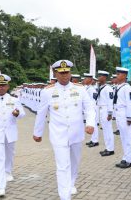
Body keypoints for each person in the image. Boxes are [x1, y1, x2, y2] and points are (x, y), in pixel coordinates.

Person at [33, 60, 96, 200]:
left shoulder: (80, 89)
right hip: (58, 135)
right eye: (61, 73)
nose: (64, 75)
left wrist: (90, 123)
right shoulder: (47, 92)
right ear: (55, 73)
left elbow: (90, 108)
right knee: (62, 166)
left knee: (75, 162)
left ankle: (71, 183)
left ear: (70, 72)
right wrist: (37, 132)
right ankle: (64, 196)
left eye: (66, 72)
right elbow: (41, 113)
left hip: (76, 133)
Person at [114, 67, 131, 168]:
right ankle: (126, 156)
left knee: (128, 138)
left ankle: (130, 160)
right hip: (119, 114)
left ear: (124, 76)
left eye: (119, 74)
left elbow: (130, 103)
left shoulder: (127, 88)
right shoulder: (119, 87)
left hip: (125, 114)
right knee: (123, 137)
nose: (117, 76)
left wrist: (130, 117)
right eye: (117, 74)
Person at [96, 70, 115, 157]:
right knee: (105, 130)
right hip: (101, 109)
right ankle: (107, 148)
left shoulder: (108, 88)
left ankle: (110, 149)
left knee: (108, 130)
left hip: (106, 110)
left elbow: (110, 101)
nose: (98, 77)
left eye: (100, 76)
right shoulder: (101, 87)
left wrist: (110, 113)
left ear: (104, 77)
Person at [83, 73, 99, 148]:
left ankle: (95, 141)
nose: (84, 80)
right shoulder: (88, 88)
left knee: (94, 125)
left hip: (92, 109)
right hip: (89, 109)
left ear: (90, 80)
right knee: (92, 124)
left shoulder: (92, 89)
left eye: (86, 78)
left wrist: (91, 110)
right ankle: (92, 140)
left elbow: (93, 101)